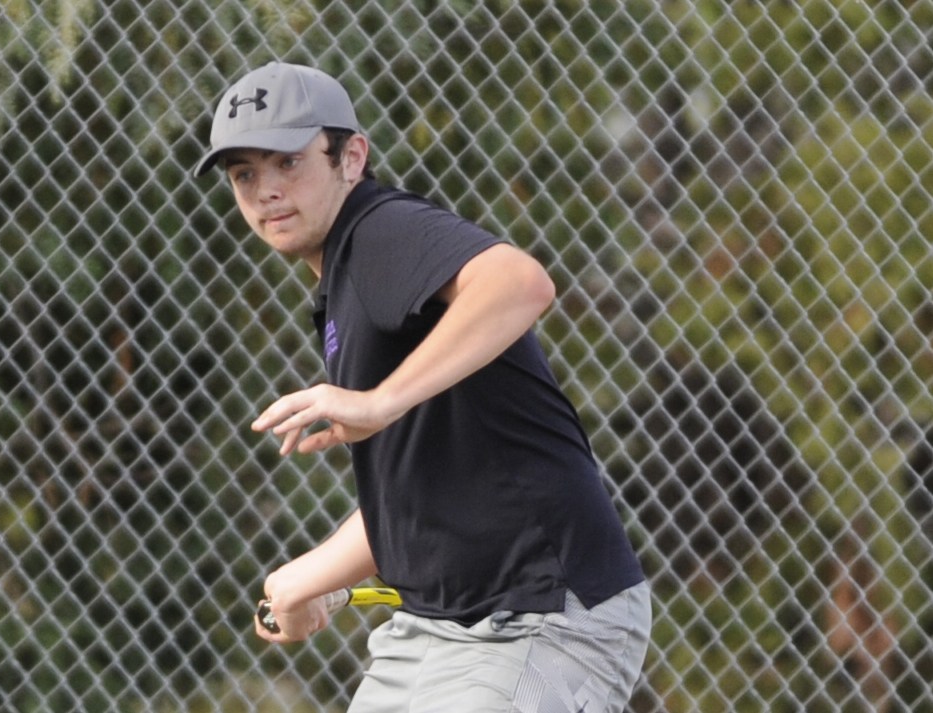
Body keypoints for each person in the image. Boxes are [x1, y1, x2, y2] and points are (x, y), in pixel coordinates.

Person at [194, 61, 652, 713]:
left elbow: (519, 282)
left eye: (288, 162)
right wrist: (307, 579)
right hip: (434, 629)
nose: (266, 189)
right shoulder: (345, 285)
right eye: (244, 174)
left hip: (538, 617)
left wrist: (377, 401)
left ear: (351, 157)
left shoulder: (378, 233)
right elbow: (419, 486)